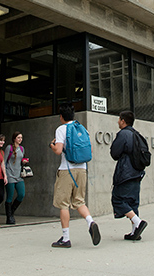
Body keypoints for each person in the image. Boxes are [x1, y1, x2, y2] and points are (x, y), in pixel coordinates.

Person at [49, 103, 100, 248]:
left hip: (67, 170)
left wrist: (52, 146)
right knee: (79, 201)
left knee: (63, 204)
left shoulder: (61, 129)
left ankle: (66, 238)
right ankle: (91, 222)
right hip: (82, 169)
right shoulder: (81, 128)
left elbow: (58, 150)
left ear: (61, 117)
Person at [110, 111, 148, 241]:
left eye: (119, 119)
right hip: (137, 172)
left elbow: (114, 153)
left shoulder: (123, 134)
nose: (118, 122)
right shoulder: (137, 135)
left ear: (123, 121)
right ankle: (134, 232)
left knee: (118, 199)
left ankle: (138, 222)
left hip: (125, 172)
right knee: (133, 202)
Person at [4, 131, 26, 224]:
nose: (20, 139)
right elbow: (4, 161)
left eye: (21, 138)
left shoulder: (22, 148)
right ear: (14, 139)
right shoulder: (9, 148)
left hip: (18, 175)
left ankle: (12, 212)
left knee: (21, 194)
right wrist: (5, 175)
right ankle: (9, 217)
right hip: (10, 174)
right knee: (10, 196)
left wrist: (24, 162)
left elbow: (20, 160)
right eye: (18, 138)